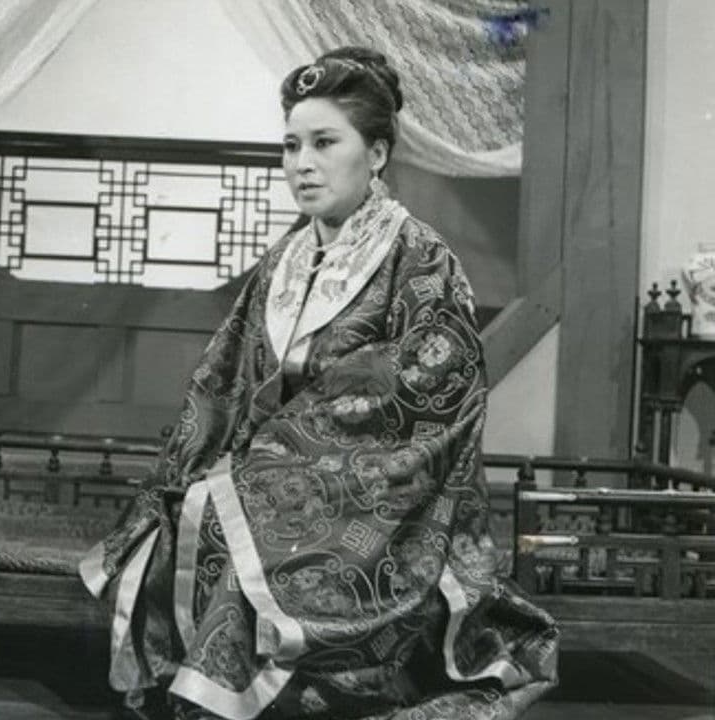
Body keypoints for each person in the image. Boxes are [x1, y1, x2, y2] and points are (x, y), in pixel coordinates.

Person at [80, 47, 558, 720]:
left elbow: (424, 401)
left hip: (380, 501)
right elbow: (224, 379)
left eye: (325, 143)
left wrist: (271, 466)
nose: (302, 164)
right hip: (274, 481)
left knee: (240, 527)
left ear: (377, 153)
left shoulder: (422, 261)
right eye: (291, 145)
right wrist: (199, 465)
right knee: (180, 514)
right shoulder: (285, 259)